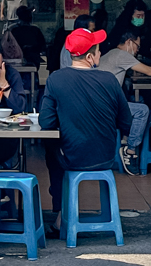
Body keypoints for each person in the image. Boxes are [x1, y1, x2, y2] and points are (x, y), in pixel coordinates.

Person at [38, 28, 131, 234]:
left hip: (72, 158)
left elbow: (46, 122)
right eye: (98, 51)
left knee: (51, 150)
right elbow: (126, 120)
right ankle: (64, 216)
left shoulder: (56, 79)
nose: (100, 54)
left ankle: (62, 212)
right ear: (90, 57)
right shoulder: (109, 80)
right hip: (106, 157)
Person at [96, 30, 151, 168]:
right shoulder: (121, 54)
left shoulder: (112, 53)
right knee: (142, 110)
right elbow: (150, 71)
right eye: (137, 46)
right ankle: (129, 149)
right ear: (128, 42)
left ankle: (126, 139)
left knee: (141, 108)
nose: (137, 50)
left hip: (99, 104)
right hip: (106, 107)